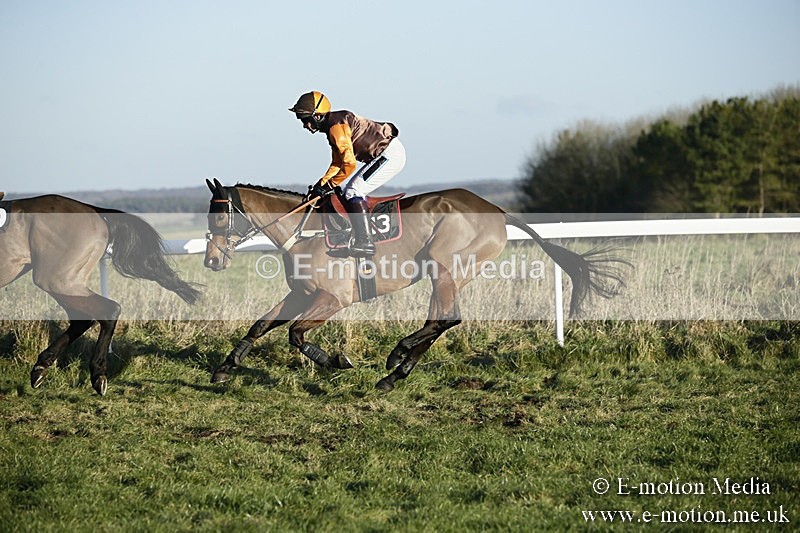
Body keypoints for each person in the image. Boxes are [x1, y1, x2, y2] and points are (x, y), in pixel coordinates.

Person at [289, 91, 405, 257]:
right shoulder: (333, 127)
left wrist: (329, 185)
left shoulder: (336, 128)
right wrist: (321, 185)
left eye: (306, 120)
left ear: (318, 116)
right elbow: (337, 164)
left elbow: (349, 164)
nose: (304, 125)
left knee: (353, 191)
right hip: (385, 154)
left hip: (389, 155)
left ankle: (364, 241)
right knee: (349, 190)